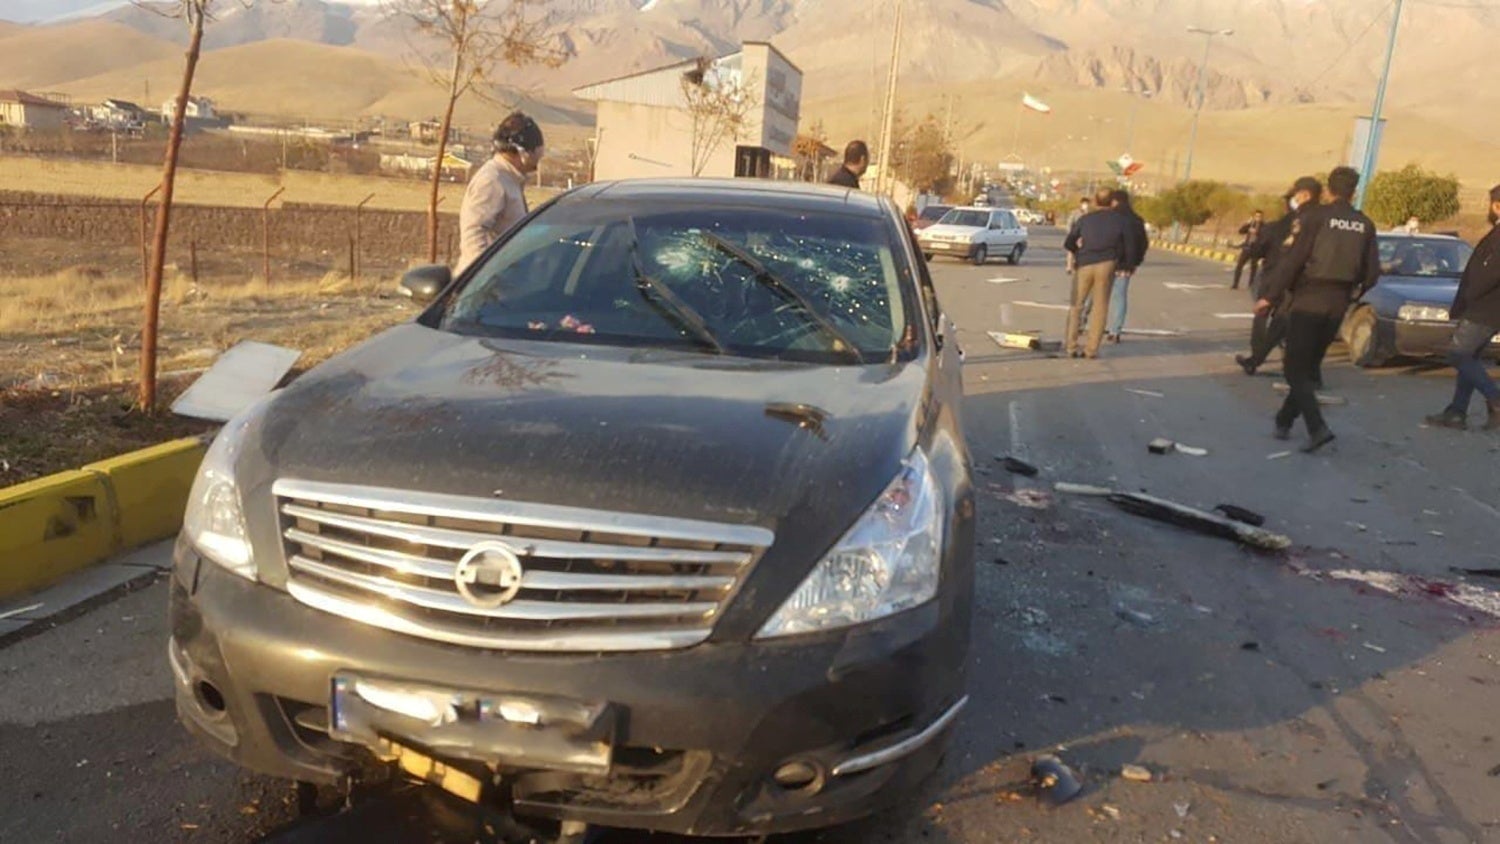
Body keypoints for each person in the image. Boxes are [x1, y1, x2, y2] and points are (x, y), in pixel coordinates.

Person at [1256, 166, 1379, 453]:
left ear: (1329, 190)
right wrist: (1353, 293)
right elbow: (1372, 273)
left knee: (1293, 368)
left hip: (1309, 298)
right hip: (1338, 302)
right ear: (1355, 191)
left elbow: (1293, 261)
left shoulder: (1316, 217)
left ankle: (1317, 427)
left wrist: (1270, 297)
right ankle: (1285, 420)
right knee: (1308, 367)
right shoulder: (1365, 224)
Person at [1424, 184, 1500, 431]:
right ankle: (1457, 412)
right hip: (1488, 309)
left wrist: (1468, 298)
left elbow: (1487, 274)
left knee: (1458, 355)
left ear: (1496, 206)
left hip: (1483, 309)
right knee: (1471, 357)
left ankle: (1495, 399)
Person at [1237, 178, 1322, 376]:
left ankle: (1256, 355)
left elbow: (1259, 250)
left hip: (1275, 277)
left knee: (1263, 315)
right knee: (1282, 322)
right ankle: (1264, 359)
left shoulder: (1282, 225)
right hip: (1302, 282)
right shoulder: (1321, 221)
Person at [457, 112, 544, 274]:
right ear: (523, 153)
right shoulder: (492, 180)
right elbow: (474, 233)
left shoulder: (510, 179)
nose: (537, 164)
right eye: (535, 155)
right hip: (487, 289)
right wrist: (483, 277)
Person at [1064, 188, 1134, 359]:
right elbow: (1129, 246)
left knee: (1076, 306)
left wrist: (1077, 252)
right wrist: (1125, 265)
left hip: (1085, 264)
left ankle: (1071, 346)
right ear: (1112, 203)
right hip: (1107, 264)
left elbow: (1069, 242)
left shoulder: (1085, 219)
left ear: (1095, 202)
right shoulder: (1121, 221)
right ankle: (1091, 349)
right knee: (1100, 307)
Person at [1105, 189, 1149, 343]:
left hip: (1106, 261)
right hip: (1125, 266)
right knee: (1120, 297)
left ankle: (1083, 324)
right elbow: (1143, 244)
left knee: (1096, 296)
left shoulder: (1110, 217)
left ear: (1114, 201)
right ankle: (1115, 331)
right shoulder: (1136, 220)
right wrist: (1135, 262)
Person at [1233, 210, 1265, 290]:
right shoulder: (1250, 224)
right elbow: (1240, 231)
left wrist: (1257, 232)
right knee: (1239, 265)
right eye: (1256, 216)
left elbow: (1265, 235)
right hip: (1247, 247)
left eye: (1259, 217)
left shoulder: (1264, 225)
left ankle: (1251, 285)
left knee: (1253, 268)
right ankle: (1235, 284)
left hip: (1256, 249)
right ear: (1254, 217)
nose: (1258, 218)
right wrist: (1247, 224)